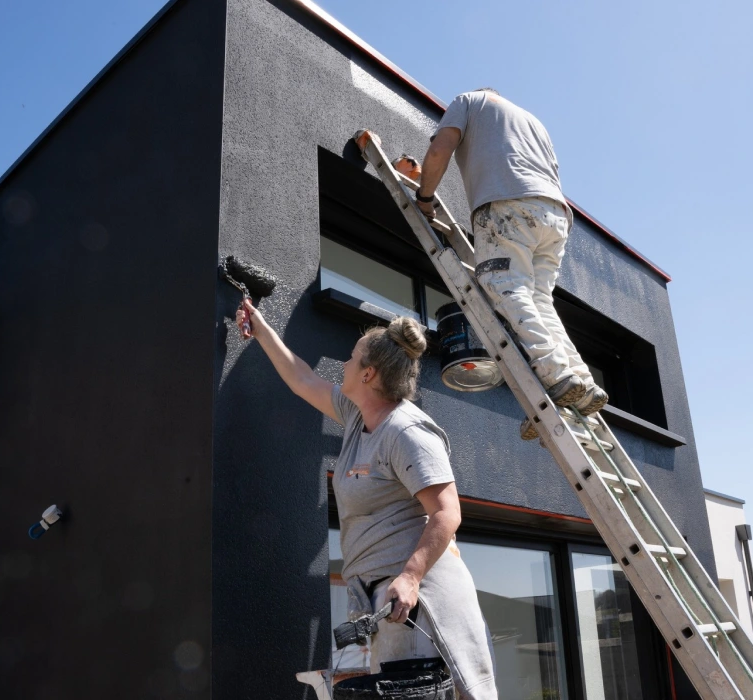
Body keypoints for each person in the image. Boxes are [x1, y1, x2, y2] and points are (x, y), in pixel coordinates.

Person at [236, 300, 498, 700]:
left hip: (421, 600)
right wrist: (259, 327)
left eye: (352, 357)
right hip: (388, 602)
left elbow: (447, 513)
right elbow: (302, 379)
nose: (344, 362)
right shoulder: (360, 417)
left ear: (369, 373)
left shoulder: (406, 433)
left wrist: (410, 576)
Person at [415, 88, 608, 439]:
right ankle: (580, 380)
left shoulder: (470, 100)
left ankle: (557, 375)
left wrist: (424, 197)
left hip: (508, 203)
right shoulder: (533, 121)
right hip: (554, 213)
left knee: (503, 285)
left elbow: (439, 149)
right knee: (538, 299)